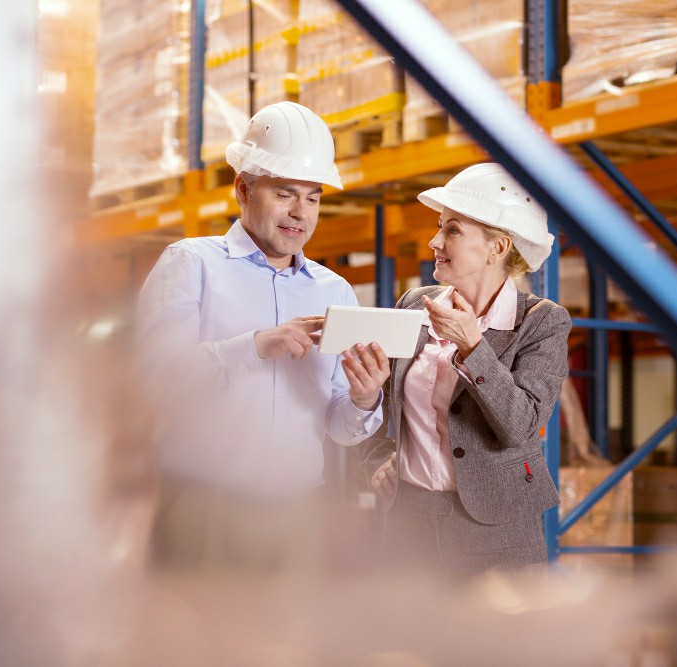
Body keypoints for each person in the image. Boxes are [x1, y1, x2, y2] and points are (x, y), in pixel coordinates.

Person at [137, 101, 390, 572]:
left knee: (285, 644)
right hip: (202, 505)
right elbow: (151, 382)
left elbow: (339, 427)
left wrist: (364, 399)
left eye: (313, 197)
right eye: (285, 193)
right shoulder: (191, 264)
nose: (300, 213)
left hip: (299, 515)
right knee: (195, 641)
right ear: (243, 189)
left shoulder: (334, 290)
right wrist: (255, 346)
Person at [358, 163, 571, 582]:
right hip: (408, 522)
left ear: (497, 248)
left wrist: (474, 347)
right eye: (439, 226)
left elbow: (520, 425)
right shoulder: (414, 304)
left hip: (496, 531)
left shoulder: (541, 323)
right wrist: (379, 459)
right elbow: (380, 407)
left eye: (452, 230)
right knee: (408, 645)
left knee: (495, 647)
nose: (434, 240)